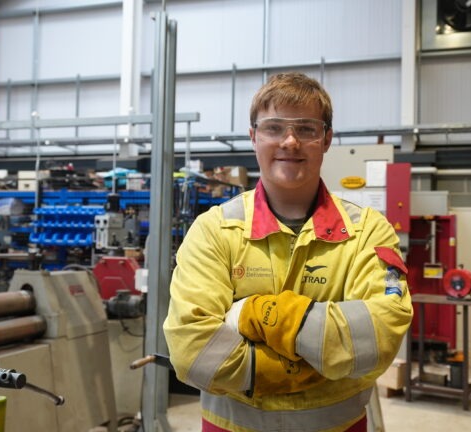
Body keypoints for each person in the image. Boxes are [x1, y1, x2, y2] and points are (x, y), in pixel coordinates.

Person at [163, 72, 413, 432]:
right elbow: (193, 354)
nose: (290, 141)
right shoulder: (214, 230)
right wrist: (319, 359)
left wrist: (259, 314)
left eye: (307, 129)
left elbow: (379, 338)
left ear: (326, 139)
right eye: (274, 128)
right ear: (253, 137)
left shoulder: (368, 231)